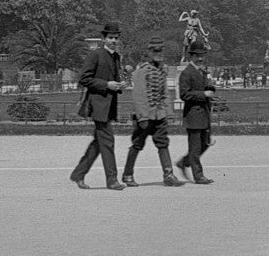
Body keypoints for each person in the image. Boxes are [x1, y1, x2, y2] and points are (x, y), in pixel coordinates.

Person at [71, 24, 128, 190]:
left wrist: (119, 85)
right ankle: (112, 180)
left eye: (116, 38)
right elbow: (84, 79)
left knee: (99, 143)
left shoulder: (116, 57)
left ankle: (78, 174)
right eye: (110, 38)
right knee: (108, 141)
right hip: (98, 106)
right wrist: (106, 85)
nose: (113, 41)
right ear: (104, 38)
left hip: (109, 106)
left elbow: (114, 80)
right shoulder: (95, 55)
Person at [122, 38, 184, 187]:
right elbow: (138, 95)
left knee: (163, 143)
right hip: (145, 116)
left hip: (159, 115)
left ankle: (168, 174)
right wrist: (142, 117)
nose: (158, 54)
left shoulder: (162, 70)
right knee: (137, 144)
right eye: (155, 51)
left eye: (160, 50)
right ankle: (127, 174)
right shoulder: (141, 71)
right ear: (149, 52)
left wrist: (169, 113)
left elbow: (165, 94)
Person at [174, 38, 217, 184]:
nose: (200, 58)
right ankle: (198, 176)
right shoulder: (186, 73)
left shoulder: (202, 72)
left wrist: (210, 89)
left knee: (206, 143)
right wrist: (203, 95)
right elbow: (184, 94)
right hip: (193, 114)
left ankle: (184, 162)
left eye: (202, 55)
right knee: (195, 146)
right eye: (197, 55)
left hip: (203, 113)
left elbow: (204, 89)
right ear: (190, 56)